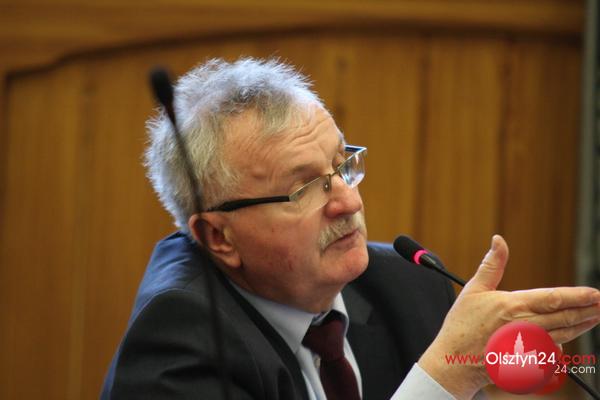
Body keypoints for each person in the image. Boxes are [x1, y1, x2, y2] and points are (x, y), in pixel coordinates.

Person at [101, 58, 600, 399]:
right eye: (304, 189)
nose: (348, 201)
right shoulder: (179, 344)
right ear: (219, 237)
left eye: (342, 166)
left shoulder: (410, 286)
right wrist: (445, 377)